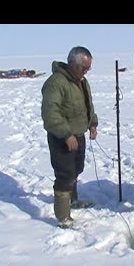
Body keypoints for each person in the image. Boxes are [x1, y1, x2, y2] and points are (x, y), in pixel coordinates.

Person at [41, 46, 99, 229]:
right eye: (83, 68)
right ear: (73, 64)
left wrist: (92, 123)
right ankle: (63, 217)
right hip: (61, 138)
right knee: (65, 175)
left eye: (88, 68)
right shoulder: (55, 83)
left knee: (76, 170)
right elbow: (50, 114)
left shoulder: (82, 81)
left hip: (79, 135)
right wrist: (66, 134)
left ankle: (72, 201)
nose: (86, 71)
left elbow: (87, 104)